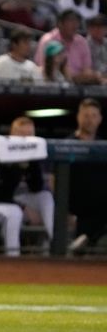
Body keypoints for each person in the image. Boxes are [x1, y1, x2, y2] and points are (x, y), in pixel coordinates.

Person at [0, 116, 54, 256]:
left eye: (30, 136)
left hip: (12, 202)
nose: (26, 140)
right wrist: (23, 207)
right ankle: (13, 256)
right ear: (12, 134)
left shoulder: (31, 153)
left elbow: (36, 187)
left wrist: (31, 163)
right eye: (22, 135)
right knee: (14, 211)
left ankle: (56, 244)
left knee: (45, 196)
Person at [67, 98, 107, 253]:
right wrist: (64, 211)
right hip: (76, 210)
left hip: (101, 209)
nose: (90, 120)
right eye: (86, 115)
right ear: (78, 117)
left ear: (100, 119)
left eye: (93, 115)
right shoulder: (67, 144)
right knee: (76, 257)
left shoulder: (103, 145)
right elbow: (54, 180)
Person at [34, 9, 100, 85]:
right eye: (70, 21)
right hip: (52, 84)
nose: (75, 25)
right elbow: (43, 68)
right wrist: (70, 78)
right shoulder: (48, 40)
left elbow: (87, 69)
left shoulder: (82, 42)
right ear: (60, 23)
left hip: (79, 86)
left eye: (77, 21)